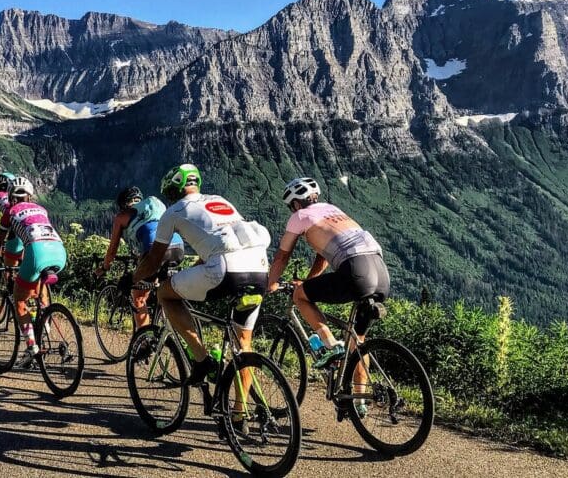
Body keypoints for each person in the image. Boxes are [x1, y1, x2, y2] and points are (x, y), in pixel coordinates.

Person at [132, 164, 272, 385]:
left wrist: (131, 279)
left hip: (225, 270)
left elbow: (152, 261)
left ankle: (202, 359)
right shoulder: (220, 200)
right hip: (261, 268)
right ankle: (237, 415)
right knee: (243, 346)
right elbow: (225, 240)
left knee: (165, 294)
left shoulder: (174, 211)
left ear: (173, 189)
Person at [267, 176, 390, 416]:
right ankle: (359, 400)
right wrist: (309, 280)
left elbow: (282, 256)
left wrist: (270, 284)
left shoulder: (300, 217)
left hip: (356, 270)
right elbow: (323, 255)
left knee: (300, 297)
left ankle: (330, 344)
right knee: (358, 343)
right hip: (381, 271)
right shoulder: (334, 210)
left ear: (294, 204)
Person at [0, 176, 67, 367]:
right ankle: (45, 321)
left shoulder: (10, 211)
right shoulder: (41, 208)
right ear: (30, 196)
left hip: (37, 252)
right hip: (60, 251)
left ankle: (31, 346)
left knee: (19, 298)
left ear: (11, 196)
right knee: (38, 286)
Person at [94, 186, 185, 328]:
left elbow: (112, 251)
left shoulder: (122, 216)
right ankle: (174, 331)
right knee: (165, 292)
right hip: (178, 246)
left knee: (139, 298)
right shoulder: (152, 207)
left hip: (155, 250)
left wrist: (104, 267)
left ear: (123, 204)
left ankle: (144, 343)